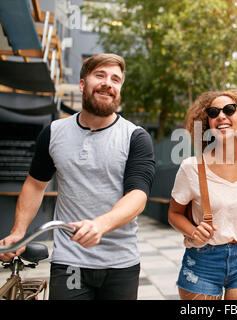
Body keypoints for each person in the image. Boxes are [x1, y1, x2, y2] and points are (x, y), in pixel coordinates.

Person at [0, 53, 155, 300]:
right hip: (70, 259)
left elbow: (137, 195)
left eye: (116, 79)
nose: (108, 83)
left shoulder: (135, 137)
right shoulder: (53, 132)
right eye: (100, 75)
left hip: (120, 262)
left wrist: (100, 225)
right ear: (83, 84)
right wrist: (19, 231)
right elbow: (35, 185)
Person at [168, 89, 237, 300]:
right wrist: (193, 231)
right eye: (213, 112)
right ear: (207, 122)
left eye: (229, 109)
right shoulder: (191, 167)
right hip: (203, 262)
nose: (221, 116)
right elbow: (174, 214)